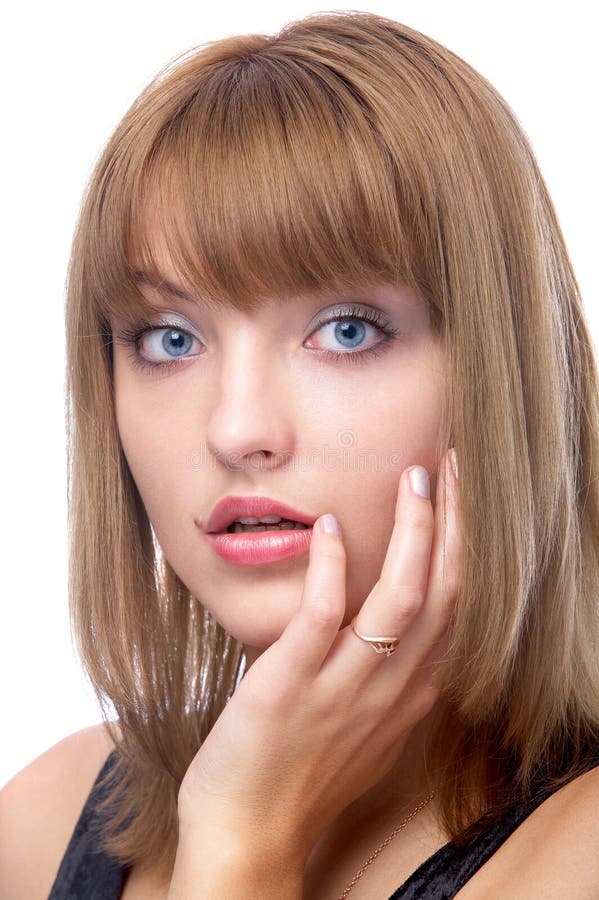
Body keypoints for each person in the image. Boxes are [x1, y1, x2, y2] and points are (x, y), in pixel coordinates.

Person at [2, 9, 598, 899]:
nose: (236, 430)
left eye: (346, 330)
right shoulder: (43, 819)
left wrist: (244, 840)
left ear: (499, 371)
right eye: (169, 340)